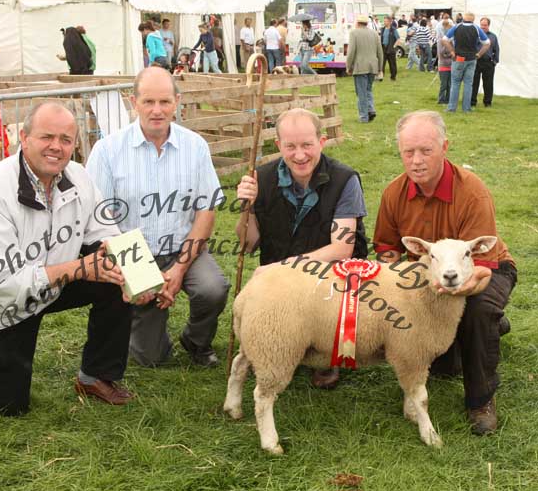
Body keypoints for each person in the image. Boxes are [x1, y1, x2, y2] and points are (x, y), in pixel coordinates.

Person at [0, 102, 151, 416]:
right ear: (24, 139)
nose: (57, 146)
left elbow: (106, 229)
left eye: (66, 140)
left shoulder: (79, 177)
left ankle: (96, 376)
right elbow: (8, 285)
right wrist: (80, 268)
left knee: (114, 272)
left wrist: (143, 277)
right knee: (5, 405)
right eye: (47, 137)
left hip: (50, 283)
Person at [373, 110, 516, 435]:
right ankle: (478, 338)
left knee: (478, 310)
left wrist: (453, 290)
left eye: (426, 150)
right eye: (408, 152)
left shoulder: (472, 193)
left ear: (445, 147)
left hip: (485, 268)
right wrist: (403, 285)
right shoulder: (394, 194)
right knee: (443, 367)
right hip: (428, 273)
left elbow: (483, 267)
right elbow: (386, 248)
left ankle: (480, 399)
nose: (416, 160)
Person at [86, 67, 230, 368]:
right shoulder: (107, 151)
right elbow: (101, 220)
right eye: (148, 102)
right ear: (133, 101)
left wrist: (178, 269)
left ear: (177, 101)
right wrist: (137, 276)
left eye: (165, 102)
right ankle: (148, 326)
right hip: (134, 253)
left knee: (213, 288)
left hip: (183, 247)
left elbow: (206, 210)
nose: (157, 110)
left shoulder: (195, 146)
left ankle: (196, 340)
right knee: (149, 358)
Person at [235, 108, 368, 390]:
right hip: (281, 278)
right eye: (290, 146)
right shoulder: (261, 178)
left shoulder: (345, 180)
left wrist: (282, 268)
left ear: (321, 142)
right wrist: (247, 207)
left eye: (307, 145)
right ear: (278, 145)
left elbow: (341, 249)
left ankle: (326, 354)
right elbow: (247, 243)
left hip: (330, 276)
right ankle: (286, 344)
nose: (299, 155)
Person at [442, 12, 490, 113]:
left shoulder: (457, 27)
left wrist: (452, 51)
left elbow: (444, 40)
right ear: (473, 19)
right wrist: (479, 54)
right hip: (472, 59)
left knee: (455, 83)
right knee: (468, 84)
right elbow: (487, 43)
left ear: (463, 18)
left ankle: (451, 108)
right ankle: (466, 109)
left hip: (459, 58)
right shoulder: (476, 28)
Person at [346, 14, 383, 123]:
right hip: (373, 66)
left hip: (360, 66)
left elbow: (351, 52)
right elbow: (380, 52)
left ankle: (364, 116)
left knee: (361, 92)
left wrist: (348, 66)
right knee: (368, 89)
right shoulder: (374, 33)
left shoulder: (354, 33)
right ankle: (371, 109)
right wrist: (380, 68)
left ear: (357, 23)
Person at [471, 17, 499, 108]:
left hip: (488, 63)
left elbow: (496, 49)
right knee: (474, 82)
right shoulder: (475, 35)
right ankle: (472, 102)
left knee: (488, 83)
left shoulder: (493, 36)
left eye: (485, 25)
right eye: (482, 25)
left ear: (488, 25)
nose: (483, 27)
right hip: (476, 62)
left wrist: (495, 61)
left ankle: (487, 102)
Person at [437, 19, 454, 104]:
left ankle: (448, 99)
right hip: (443, 65)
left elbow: (454, 52)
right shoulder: (441, 40)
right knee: (443, 84)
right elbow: (441, 53)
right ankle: (441, 99)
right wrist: (449, 49)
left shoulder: (452, 41)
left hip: (451, 65)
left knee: (449, 84)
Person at [381, 16, 400, 81]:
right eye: (384, 21)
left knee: (392, 64)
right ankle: (381, 76)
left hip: (391, 49)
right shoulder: (382, 29)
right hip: (383, 48)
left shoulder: (393, 29)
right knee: (382, 63)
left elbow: (398, 39)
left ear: (389, 22)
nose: (384, 22)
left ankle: (393, 77)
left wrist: (394, 46)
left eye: (386, 21)